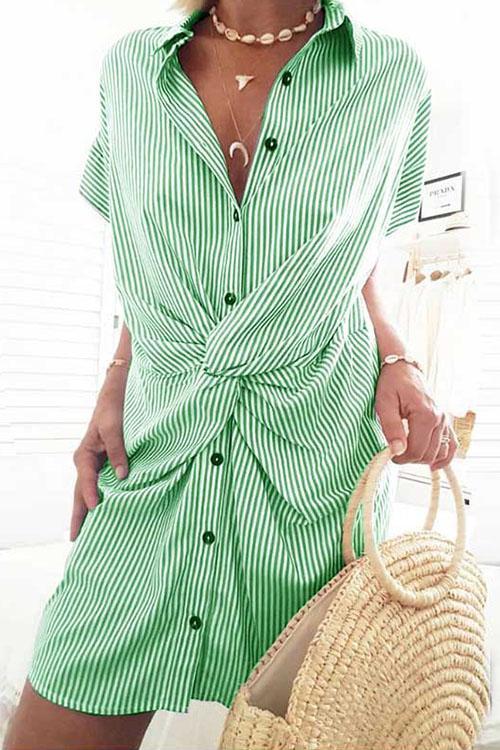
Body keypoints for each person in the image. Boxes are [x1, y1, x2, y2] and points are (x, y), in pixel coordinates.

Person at [4, 0, 457, 747]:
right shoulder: (130, 70)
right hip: (160, 445)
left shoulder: (392, 75)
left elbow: (358, 253)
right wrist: (116, 376)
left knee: (304, 725)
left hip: (315, 455)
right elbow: (139, 247)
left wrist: (397, 356)